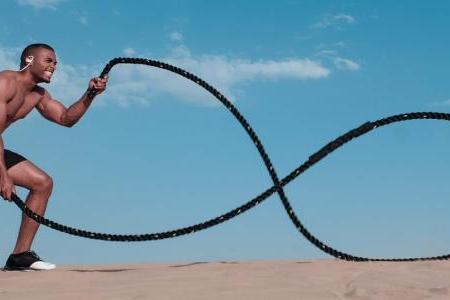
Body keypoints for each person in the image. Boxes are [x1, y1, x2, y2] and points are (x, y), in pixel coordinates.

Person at [0, 43, 108, 271]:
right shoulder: (6, 82)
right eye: (48, 60)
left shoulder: (39, 95)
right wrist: (3, 176)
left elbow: (66, 118)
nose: (54, 66)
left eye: (56, 62)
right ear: (30, 60)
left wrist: (90, 94)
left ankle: (20, 256)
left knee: (42, 183)